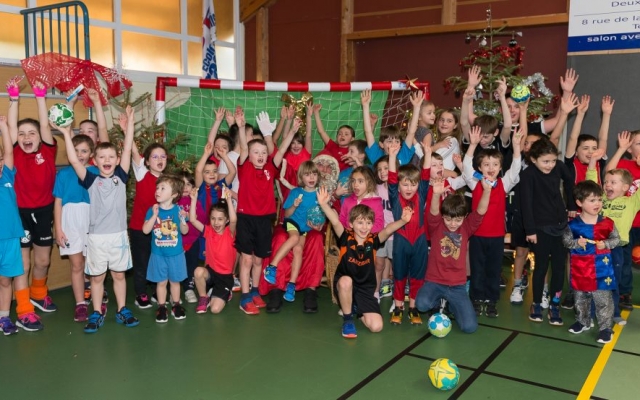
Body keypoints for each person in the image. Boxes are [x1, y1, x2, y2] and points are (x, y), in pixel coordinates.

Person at [54, 105, 139, 333]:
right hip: (97, 238)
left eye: (111, 157)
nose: (107, 160)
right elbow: (74, 161)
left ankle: (122, 309)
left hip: (118, 237)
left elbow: (128, 149)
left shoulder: (121, 176)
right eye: (102, 157)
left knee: (119, 275)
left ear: (117, 160)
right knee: (97, 277)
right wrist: (65, 133)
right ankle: (96, 312)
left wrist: (129, 126)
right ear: (95, 160)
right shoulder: (90, 179)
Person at [316, 186, 412, 339]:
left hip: (365, 289)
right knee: (346, 281)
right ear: (351, 224)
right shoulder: (346, 237)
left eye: (368, 223)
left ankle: (357, 309)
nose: (364, 227)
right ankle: (348, 320)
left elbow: (388, 230)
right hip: (345, 284)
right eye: (360, 223)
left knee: (377, 327)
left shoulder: (373, 240)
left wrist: (403, 220)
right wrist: (323, 204)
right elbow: (335, 221)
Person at [6, 78, 57, 332]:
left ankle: (38, 294)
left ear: (40, 137)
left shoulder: (47, 150)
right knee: (23, 264)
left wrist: (40, 96)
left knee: (43, 261)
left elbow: (44, 124)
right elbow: (11, 129)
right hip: (21, 214)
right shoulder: (14, 151)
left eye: (32, 133)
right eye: (22, 134)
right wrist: (14, 98)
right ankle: (24, 308)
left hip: (44, 211)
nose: (27, 137)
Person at [415, 175, 492, 333]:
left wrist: (487, 191)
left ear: (464, 217)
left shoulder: (466, 228)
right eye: (448, 219)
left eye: (457, 220)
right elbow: (433, 211)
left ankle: (451, 305)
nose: (452, 224)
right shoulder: (437, 225)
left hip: (457, 286)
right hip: (435, 281)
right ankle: (439, 302)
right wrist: (436, 194)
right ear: (443, 216)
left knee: (470, 327)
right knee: (421, 304)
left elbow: (480, 212)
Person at [235, 109, 293, 315]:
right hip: (245, 219)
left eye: (263, 152)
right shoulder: (244, 167)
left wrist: (292, 131)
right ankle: (244, 297)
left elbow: (281, 150)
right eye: (255, 152)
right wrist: (241, 127)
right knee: (247, 259)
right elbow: (243, 146)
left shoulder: (270, 167)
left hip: (264, 221)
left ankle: (255, 291)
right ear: (249, 156)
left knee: (259, 260)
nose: (260, 155)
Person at [462, 125, 523, 318]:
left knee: (494, 270)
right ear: (480, 168)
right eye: (486, 165)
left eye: (495, 165)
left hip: (497, 237)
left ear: (500, 168)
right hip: (477, 236)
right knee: (477, 269)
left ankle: (491, 301)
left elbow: (516, 168)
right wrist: (472, 145)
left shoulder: (504, 184)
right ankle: (476, 298)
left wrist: (516, 147)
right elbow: (466, 167)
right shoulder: (475, 183)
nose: (490, 168)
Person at [520, 139, 576, 325]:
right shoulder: (528, 174)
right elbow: (526, 203)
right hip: (540, 228)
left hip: (560, 225)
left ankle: (555, 305)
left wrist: (571, 205)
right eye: (545, 161)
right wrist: (530, 230)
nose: (550, 165)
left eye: (552, 161)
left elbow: (570, 181)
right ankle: (536, 303)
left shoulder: (558, 167)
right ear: (533, 159)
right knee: (541, 267)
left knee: (559, 268)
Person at [53, 134, 104, 322]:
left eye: (84, 151)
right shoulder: (63, 174)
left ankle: (97, 298)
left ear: (91, 153)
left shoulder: (97, 172)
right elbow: (58, 203)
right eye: (75, 151)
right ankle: (80, 303)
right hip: (70, 222)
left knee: (94, 264)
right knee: (77, 265)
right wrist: (58, 229)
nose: (80, 154)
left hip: (92, 221)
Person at [562, 181, 620, 344]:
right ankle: (583, 321)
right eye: (592, 200)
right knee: (580, 298)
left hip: (602, 270)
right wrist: (576, 243)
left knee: (603, 300)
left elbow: (616, 239)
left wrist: (606, 244)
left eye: (599, 199)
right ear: (579, 202)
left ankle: (605, 328)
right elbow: (566, 241)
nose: (597, 204)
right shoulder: (573, 225)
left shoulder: (607, 223)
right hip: (580, 269)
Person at [587, 147, 640, 325]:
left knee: (613, 282)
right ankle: (592, 314)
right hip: (597, 247)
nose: (608, 185)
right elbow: (590, 183)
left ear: (625, 187)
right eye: (606, 182)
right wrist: (593, 162)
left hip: (617, 248)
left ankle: (614, 312)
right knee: (595, 282)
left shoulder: (631, 202)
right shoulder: (600, 199)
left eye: (613, 182)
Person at [264, 160, 320, 303]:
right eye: (307, 175)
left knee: (298, 250)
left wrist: (317, 224)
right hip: (292, 222)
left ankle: (291, 285)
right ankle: (272, 267)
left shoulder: (320, 194)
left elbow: (321, 215)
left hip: (305, 228)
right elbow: (287, 215)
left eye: (314, 174)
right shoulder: (296, 192)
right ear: (301, 177)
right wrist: (294, 205)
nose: (311, 177)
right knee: (294, 238)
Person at [387, 141, 431, 325]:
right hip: (401, 242)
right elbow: (391, 178)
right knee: (399, 275)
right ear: (399, 185)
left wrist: (428, 154)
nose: (409, 188)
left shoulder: (421, 194)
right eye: (405, 184)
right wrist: (392, 156)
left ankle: (413, 308)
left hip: (419, 241)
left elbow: (426, 175)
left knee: (417, 276)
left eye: (413, 184)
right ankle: (398, 307)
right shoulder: (395, 197)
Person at [142, 175, 190, 323]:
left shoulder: (179, 210)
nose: (158, 191)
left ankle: (176, 305)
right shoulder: (152, 210)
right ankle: (162, 307)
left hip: (176, 254)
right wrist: (154, 215)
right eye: (157, 188)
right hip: (158, 254)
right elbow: (145, 230)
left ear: (174, 194)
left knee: (175, 282)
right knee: (161, 282)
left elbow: (185, 231)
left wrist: (182, 220)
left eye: (163, 188)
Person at [129, 139, 169, 309]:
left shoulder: (169, 181)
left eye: (163, 156)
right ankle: (141, 293)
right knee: (142, 262)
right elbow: (134, 152)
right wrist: (128, 131)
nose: (159, 160)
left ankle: (156, 291)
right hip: (140, 229)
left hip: (160, 230)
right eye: (155, 157)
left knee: (158, 261)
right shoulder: (142, 174)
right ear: (146, 161)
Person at [605, 130, 640, 310]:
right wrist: (620, 149)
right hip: (628, 225)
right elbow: (608, 172)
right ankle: (624, 293)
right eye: (639, 143)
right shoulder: (624, 165)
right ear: (630, 149)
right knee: (625, 261)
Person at [190, 187, 237, 314]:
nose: (216, 222)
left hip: (225, 277)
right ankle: (204, 297)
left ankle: (226, 293)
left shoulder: (230, 233)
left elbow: (234, 220)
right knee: (198, 271)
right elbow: (193, 220)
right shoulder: (208, 231)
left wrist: (229, 200)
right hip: (211, 272)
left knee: (215, 310)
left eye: (220, 219)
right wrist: (193, 199)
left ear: (226, 220)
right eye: (213, 218)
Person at [0, 115, 24, 335]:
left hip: (10, 238)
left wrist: (3, 127)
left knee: (6, 280)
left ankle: (4, 317)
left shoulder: (7, 176)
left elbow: (9, 151)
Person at [361, 89, 419, 166]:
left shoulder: (403, 155)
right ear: (381, 144)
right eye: (389, 141)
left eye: (397, 141)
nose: (394, 144)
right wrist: (365, 106)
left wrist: (417, 107)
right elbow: (368, 132)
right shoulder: (377, 156)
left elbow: (411, 132)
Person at [176, 171, 207, 303]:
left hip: (193, 240)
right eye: (182, 184)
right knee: (177, 266)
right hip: (177, 241)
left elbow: (203, 219)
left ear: (193, 187)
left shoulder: (196, 202)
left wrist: (190, 215)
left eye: (188, 184)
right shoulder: (173, 202)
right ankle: (174, 291)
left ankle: (189, 288)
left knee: (192, 265)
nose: (185, 187)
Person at [338, 166, 384, 234]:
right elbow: (342, 219)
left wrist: (363, 233)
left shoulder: (376, 202)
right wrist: (348, 233)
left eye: (360, 181)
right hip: (349, 238)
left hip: (368, 238)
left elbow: (379, 224)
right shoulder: (347, 201)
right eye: (353, 181)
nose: (355, 185)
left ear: (369, 182)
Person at [373, 156, 394, 299]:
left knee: (393, 263)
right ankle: (375, 292)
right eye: (379, 169)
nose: (382, 172)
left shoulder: (399, 189)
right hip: (380, 233)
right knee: (379, 264)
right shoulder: (377, 189)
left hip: (396, 234)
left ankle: (388, 288)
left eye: (386, 168)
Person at [313, 102, 356, 171]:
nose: (342, 135)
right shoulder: (332, 146)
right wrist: (316, 113)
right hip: (329, 175)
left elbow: (365, 145)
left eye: (346, 134)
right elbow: (322, 132)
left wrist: (371, 126)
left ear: (352, 139)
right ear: (336, 137)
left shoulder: (352, 151)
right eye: (340, 134)